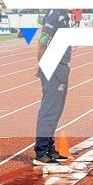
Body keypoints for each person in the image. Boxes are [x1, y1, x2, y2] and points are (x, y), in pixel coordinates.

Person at [33, 10, 72, 168]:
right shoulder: (55, 15)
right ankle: (41, 152)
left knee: (56, 110)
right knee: (49, 109)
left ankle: (49, 147)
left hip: (60, 65)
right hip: (52, 65)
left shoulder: (62, 16)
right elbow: (43, 41)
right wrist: (41, 63)